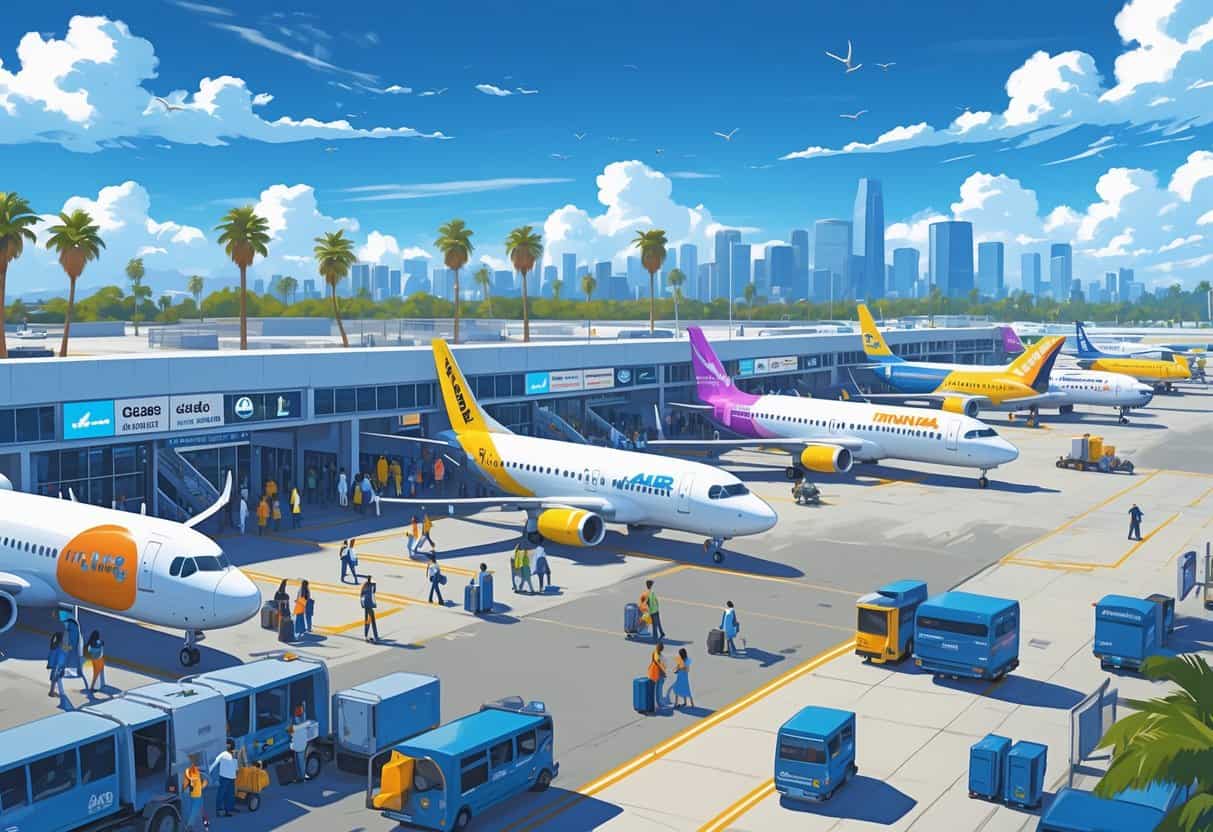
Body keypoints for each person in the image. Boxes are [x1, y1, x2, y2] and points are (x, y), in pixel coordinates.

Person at [209, 739, 239, 817]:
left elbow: (235, 766)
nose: (227, 746)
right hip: (224, 778)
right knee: (221, 794)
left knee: (230, 794)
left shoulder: (234, 754)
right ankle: (219, 811)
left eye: (228, 744)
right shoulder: (223, 754)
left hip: (232, 778)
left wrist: (236, 772)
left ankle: (229, 808)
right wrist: (208, 772)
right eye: (227, 744)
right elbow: (215, 762)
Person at [181, 754, 207, 832]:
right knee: (196, 808)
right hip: (196, 792)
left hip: (189, 792)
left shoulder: (187, 769)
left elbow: (186, 783)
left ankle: (189, 825)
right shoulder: (195, 770)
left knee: (190, 808)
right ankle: (190, 826)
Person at [47, 632, 71, 708]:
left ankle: (52, 692)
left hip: (53, 665)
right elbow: (69, 649)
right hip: (58, 666)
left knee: (54, 679)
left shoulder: (54, 645)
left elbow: (51, 656)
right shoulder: (62, 647)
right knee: (58, 679)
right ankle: (61, 694)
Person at [84, 630, 106, 696]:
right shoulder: (100, 642)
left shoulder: (90, 642)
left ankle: (100, 684)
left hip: (93, 659)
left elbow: (89, 650)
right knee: (97, 673)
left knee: (96, 672)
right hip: (100, 659)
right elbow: (102, 649)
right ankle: (92, 687)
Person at [648, 641, 668, 711]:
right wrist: (664, 673)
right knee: (659, 689)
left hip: (655, 673)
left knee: (657, 689)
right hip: (658, 673)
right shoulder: (657, 655)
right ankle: (659, 704)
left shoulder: (655, 652)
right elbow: (658, 664)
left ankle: (657, 703)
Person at [361, 576, 379, 643]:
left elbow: (374, 592)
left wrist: (374, 585)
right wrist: (363, 604)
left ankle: (370, 635)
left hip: (370, 604)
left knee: (370, 620)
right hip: (367, 604)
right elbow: (362, 594)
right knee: (370, 620)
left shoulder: (371, 585)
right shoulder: (365, 585)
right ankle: (371, 636)